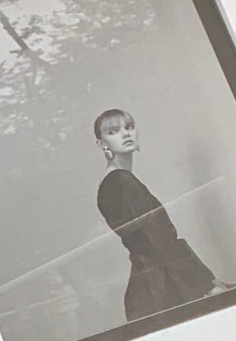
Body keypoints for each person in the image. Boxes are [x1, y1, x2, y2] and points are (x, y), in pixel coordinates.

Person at [93, 107, 219, 323]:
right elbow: (159, 240)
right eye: (113, 131)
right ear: (101, 143)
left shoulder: (117, 181)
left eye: (129, 127)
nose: (125, 134)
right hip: (162, 286)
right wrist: (205, 285)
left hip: (157, 282)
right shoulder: (120, 182)